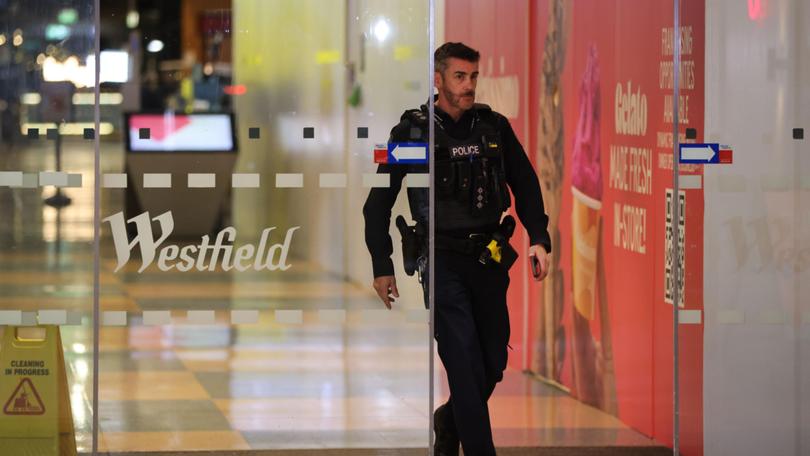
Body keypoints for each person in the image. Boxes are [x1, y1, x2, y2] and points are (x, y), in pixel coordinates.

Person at [362, 42, 551, 456]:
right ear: (438, 78)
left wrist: (539, 236)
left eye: (473, 77)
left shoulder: (493, 127)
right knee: (463, 364)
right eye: (459, 77)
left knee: (491, 364)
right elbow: (377, 203)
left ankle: (449, 420)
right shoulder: (412, 132)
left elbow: (526, 182)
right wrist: (382, 264)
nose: (468, 86)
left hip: (489, 258)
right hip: (441, 260)